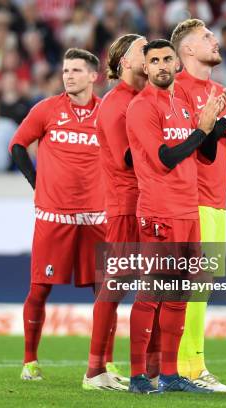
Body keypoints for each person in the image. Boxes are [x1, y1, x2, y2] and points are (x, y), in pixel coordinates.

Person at [169, 18, 226, 392]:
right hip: (187, 200)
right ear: (187, 49)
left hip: (214, 199)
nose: (215, 41)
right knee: (187, 286)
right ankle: (190, 368)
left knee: (200, 287)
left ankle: (187, 366)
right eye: (206, 37)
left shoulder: (219, 90)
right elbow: (198, 145)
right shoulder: (175, 90)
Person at [126, 39, 224, 393]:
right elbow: (165, 158)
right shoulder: (140, 108)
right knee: (152, 292)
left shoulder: (182, 102)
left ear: (176, 64)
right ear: (147, 68)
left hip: (188, 208)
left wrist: (215, 125)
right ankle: (138, 376)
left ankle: (169, 374)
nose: (163, 65)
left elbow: (206, 155)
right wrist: (202, 130)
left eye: (168, 58)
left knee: (180, 292)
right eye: (155, 61)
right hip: (159, 211)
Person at [9, 48, 105, 381]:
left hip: (96, 217)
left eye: (77, 70)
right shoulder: (47, 109)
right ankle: (29, 362)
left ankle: (101, 364)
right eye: (66, 70)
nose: (69, 76)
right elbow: (18, 145)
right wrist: (38, 183)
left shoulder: (108, 113)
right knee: (39, 289)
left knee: (105, 290)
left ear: (94, 76)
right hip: (55, 217)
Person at [83, 34, 154, 392]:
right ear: (124, 61)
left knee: (159, 285)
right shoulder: (115, 103)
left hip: (153, 203)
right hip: (126, 206)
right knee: (114, 287)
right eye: (143, 50)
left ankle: (154, 369)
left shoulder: (147, 99)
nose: (151, 54)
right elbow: (128, 157)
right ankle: (94, 370)